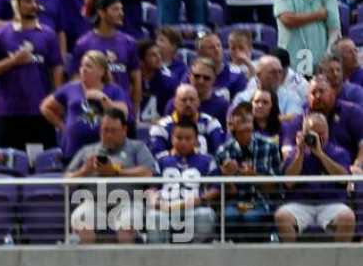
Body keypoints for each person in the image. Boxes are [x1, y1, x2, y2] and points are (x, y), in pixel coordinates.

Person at [0, 0, 62, 152]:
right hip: (8, 113)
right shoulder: (0, 34)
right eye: (27, 1)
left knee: (40, 164)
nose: (33, 5)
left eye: (34, 0)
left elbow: (56, 67)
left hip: (40, 112)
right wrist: (13, 61)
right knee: (8, 168)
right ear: (15, 3)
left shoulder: (47, 34)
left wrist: (56, 98)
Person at [65, 107, 158, 243]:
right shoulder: (87, 151)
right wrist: (84, 170)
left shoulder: (137, 147)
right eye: (105, 130)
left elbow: (148, 172)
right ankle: (91, 264)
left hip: (128, 202)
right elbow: (66, 181)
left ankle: (125, 264)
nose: (108, 135)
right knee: (82, 221)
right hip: (93, 202)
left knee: (127, 224)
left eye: (113, 131)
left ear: (124, 130)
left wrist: (115, 172)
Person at [276, 112, 354, 240]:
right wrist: (300, 153)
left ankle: (338, 259)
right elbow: (288, 183)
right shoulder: (295, 153)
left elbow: (344, 179)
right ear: (305, 133)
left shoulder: (339, 152)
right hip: (300, 204)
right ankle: (291, 258)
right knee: (281, 216)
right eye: (313, 133)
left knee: (348, 217)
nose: (318, 137)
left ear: (328, 132)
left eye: (321, 133)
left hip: (331, 203)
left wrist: (320, 154)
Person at [215, 100, 282, 239]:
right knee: (229, 216)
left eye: (248, 121)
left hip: (261, 202)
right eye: (241, 121)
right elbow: (227, 192)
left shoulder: (270, 147)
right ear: (232, 126)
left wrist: (253, 176)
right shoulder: (223, 151)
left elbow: (277, 187)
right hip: (234, 203)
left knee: (251, 218)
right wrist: (227, 177)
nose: (246, 125)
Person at [43, 49, 128, 157]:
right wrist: (62, 126)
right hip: (73, 148)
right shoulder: (70, 88)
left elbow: (123, 114)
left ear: (101, 71)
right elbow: (45, 107)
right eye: (82, 66)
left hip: (103, 148)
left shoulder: (114, 90)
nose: (83, 69)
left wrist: (102, 99)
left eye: (88, 66)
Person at [150, 120, 218, 243]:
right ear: (172, 138)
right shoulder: (161, 160)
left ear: (196, 140)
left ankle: (195, 255)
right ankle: (158, 259)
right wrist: (155, 201)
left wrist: (201, 199)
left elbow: (216, 188)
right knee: (154, 216)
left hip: (195, 208)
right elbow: (152, 187)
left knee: (206, 214)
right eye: (179, 138)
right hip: (166, 207)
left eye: (188, 138)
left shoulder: (207, 160)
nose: (183, 142)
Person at [276, 0, 341, 79]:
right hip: (291, 64)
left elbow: (334, 29)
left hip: (319, 64)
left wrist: (328, 55)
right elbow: (287, 20)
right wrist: (318, 15)